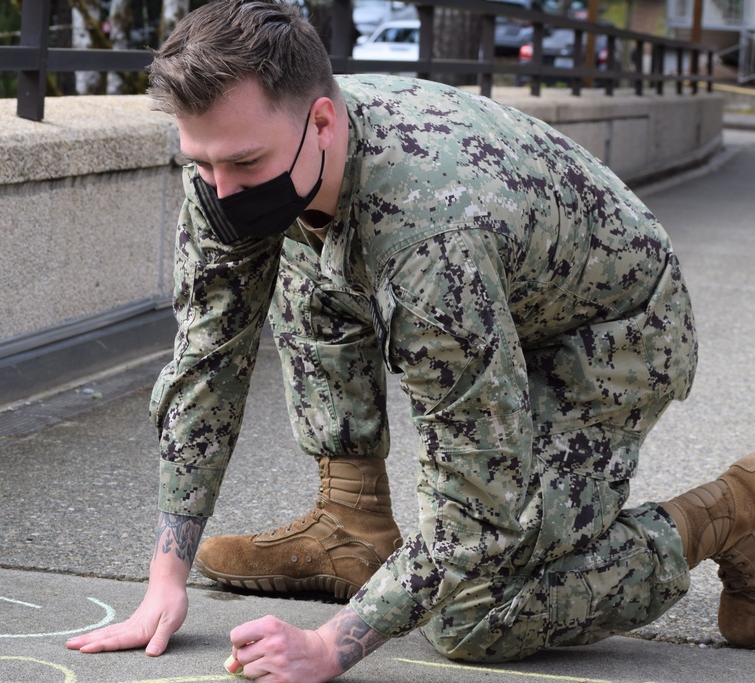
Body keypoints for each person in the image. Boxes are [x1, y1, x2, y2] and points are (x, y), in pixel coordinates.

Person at [66, 0, 755, 679]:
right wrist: (166, 576)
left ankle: (733, 507)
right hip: (500, 281)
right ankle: (351, 521)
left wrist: (334, 644)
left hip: (612, 329)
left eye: (243, 165)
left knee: (474, 616)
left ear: (323, 121)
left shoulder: (431, 242)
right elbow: (206, 357)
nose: (221, 189)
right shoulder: (243, 152)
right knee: (307, 249)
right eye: (203, 164)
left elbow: (478, 509)